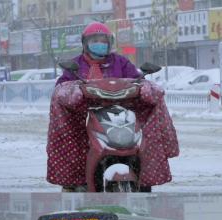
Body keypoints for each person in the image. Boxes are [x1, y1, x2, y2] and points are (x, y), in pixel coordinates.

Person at [47, 22, 179, 192]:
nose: (99, 43)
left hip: (119, 112)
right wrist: (73, 91)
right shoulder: (76, 64)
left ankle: (145, 177)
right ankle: (75, 181)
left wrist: (145, 87)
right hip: (87, 115)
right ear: (85, 43)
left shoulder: (120, 62)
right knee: (73, 140)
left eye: (103, 40)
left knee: (143, 131)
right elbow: (62, 87)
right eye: (94, 40)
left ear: (109, 43)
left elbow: (137, 79)